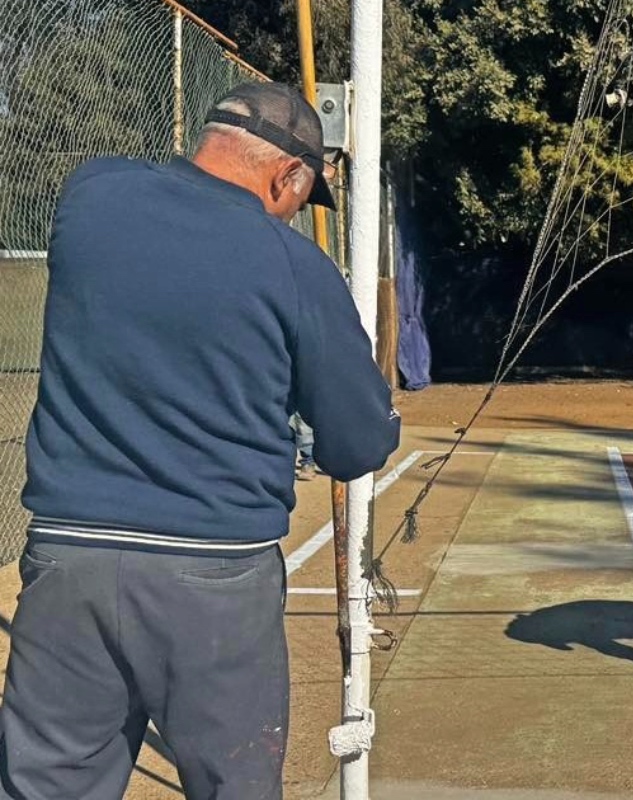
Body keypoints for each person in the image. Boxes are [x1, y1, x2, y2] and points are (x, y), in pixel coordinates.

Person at [1, 83, 400, 799]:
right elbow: (356, 444)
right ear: (287, 176)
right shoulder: (294, 264)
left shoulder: (91, 197)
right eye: (298, 200)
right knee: (232, 782)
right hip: (213, 573)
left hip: (69, 554)